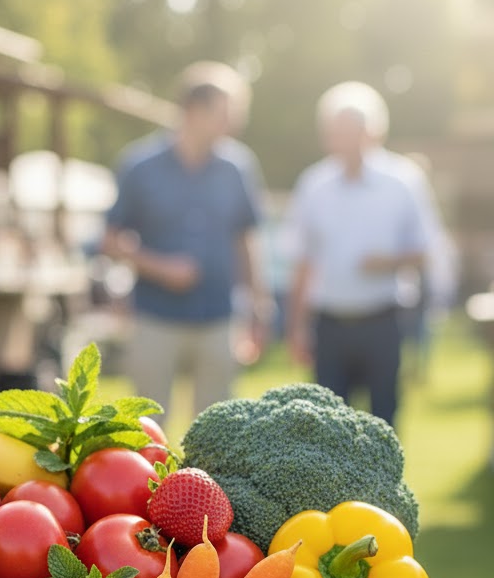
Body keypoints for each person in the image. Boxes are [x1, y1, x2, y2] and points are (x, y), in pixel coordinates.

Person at [102, 62, 272, 416]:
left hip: (219, 318)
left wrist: (259, 306)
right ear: (194, 111)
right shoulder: (139, 165)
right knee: (149, 428)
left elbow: (246, 240)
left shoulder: (239, 168)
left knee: (217, 432)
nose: (235, 124)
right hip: (155, 318)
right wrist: (162, 268)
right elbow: (111, 240)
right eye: (227, 114)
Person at [286, 82, 429, 427]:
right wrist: (296, 326)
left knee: (384, 420)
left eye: (348, 132)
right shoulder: (313, 185)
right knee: (330, 427)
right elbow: (302, 261)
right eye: (333, 133)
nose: (339, 141)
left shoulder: (404, 181)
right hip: (330, 325)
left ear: (371, 132)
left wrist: (388, 263)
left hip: (384, 320)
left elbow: (426, 252)